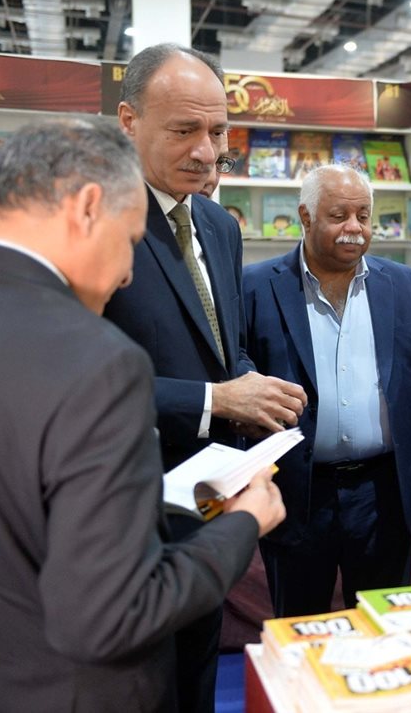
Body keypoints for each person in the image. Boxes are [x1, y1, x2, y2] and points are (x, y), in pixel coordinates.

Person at [0, 118, 285, 712]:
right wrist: (243, 524)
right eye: (129, 239)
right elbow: (116, 612)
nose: (129, 272)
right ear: (87, 208)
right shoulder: (98, 363)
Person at [103, 43, 307, 713]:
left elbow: (223, 348)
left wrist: (253, 388)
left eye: (218, 131)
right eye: (184, 130)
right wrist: (216, 399)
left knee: (196, 672)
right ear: (129, 120)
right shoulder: (96, 220)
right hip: (122, 515)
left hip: (208, 507)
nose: (207, 151)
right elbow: (78, 382)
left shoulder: (219, 224)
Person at [243, 165, 411, 616]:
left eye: (364, 216)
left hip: (382, 493)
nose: (354, 228)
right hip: (296, 492)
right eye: (339, 216)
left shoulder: (401, 284)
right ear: (306, 216)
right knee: (300, 628)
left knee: (383, 625)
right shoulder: (255, 287)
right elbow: (242, 388)